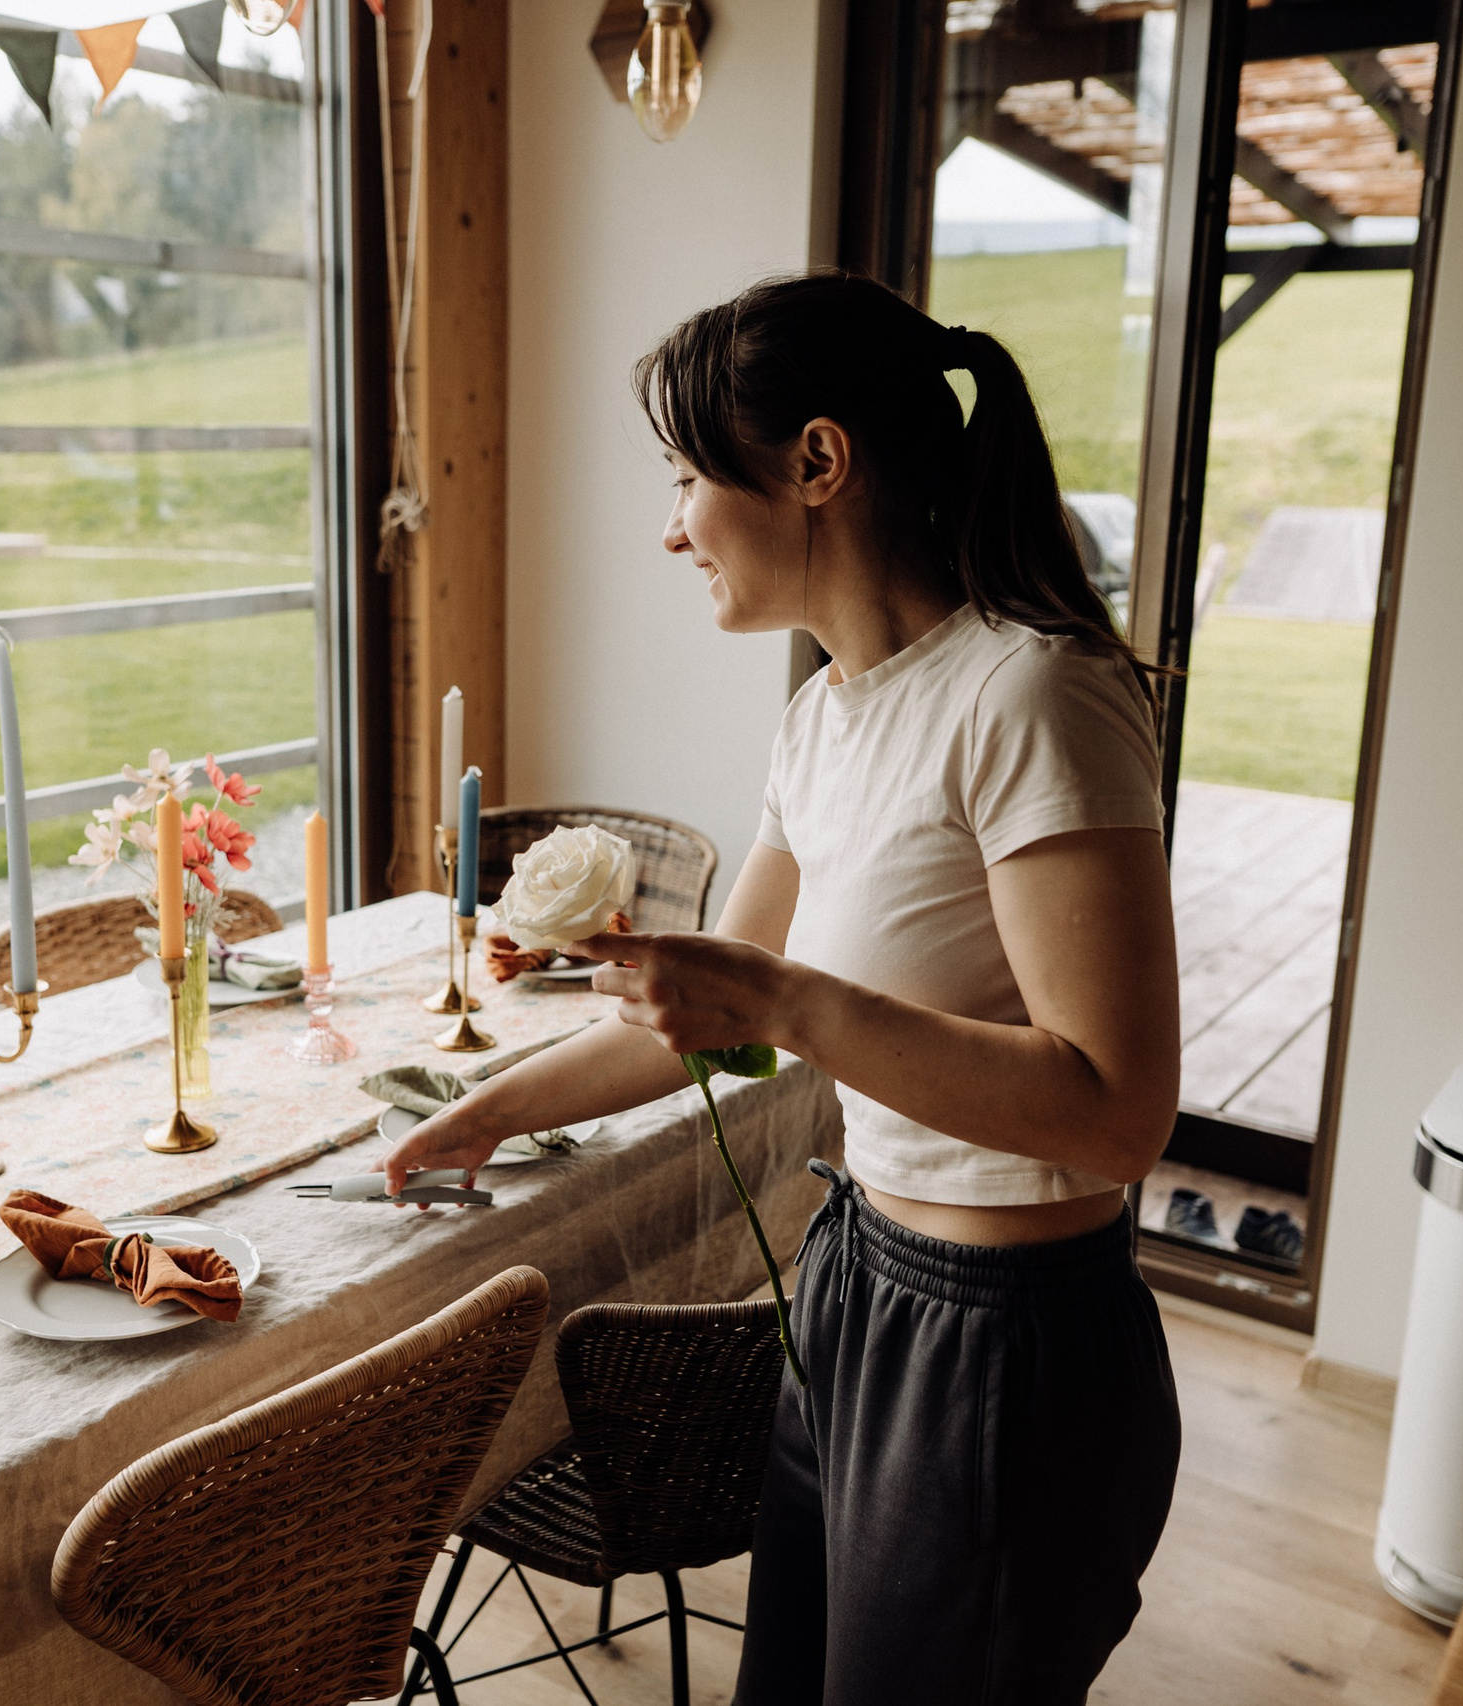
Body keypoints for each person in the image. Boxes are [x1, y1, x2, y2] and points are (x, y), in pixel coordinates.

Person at [379, 270, 1183, 1704]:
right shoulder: (823, 714)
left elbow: (1117, 1114)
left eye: (688, 474)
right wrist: (487, 1112)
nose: (670, 522)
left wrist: (792, 1008)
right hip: (858, 1281)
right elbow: (712, 1027)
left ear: (817, 462)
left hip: (1010, 1347)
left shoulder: (1033, 695)